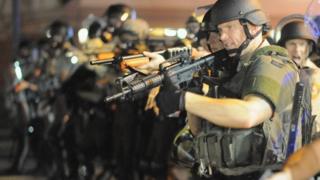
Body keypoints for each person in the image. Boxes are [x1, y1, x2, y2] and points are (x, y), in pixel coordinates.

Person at [140, 0, 301, 179]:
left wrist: (184, 99)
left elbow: (250, 114)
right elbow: (198, 131)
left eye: (229, 27)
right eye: (220, 30)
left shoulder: (271, 64)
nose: (222, 37)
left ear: (254, 26)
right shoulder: (239, 66)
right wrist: (191, 91)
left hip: (259, 173)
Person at [278, 19, 320, 139]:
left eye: (301, 44)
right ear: (283, 46)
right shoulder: (276, 73)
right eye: (292, 43)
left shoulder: (318, 76)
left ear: (309, 47)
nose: (297, 50)